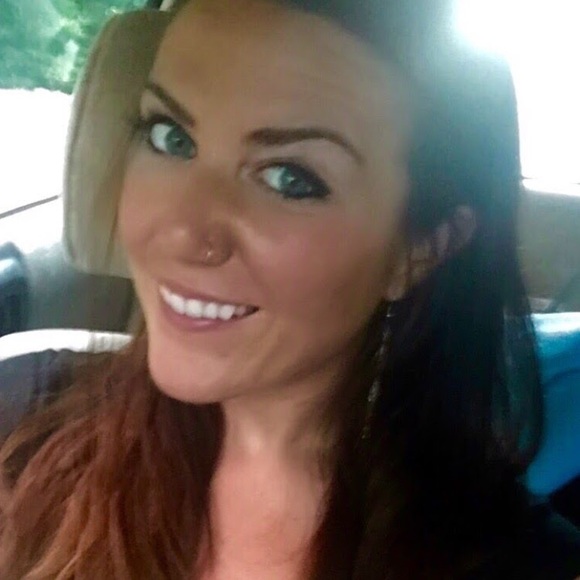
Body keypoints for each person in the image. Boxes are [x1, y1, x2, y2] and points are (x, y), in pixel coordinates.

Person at [1, 0, 579, 578]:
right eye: (170, 137)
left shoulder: (521, 564)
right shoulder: (25, 417)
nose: (180, 232)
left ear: (420, 249)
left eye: (290, 179)